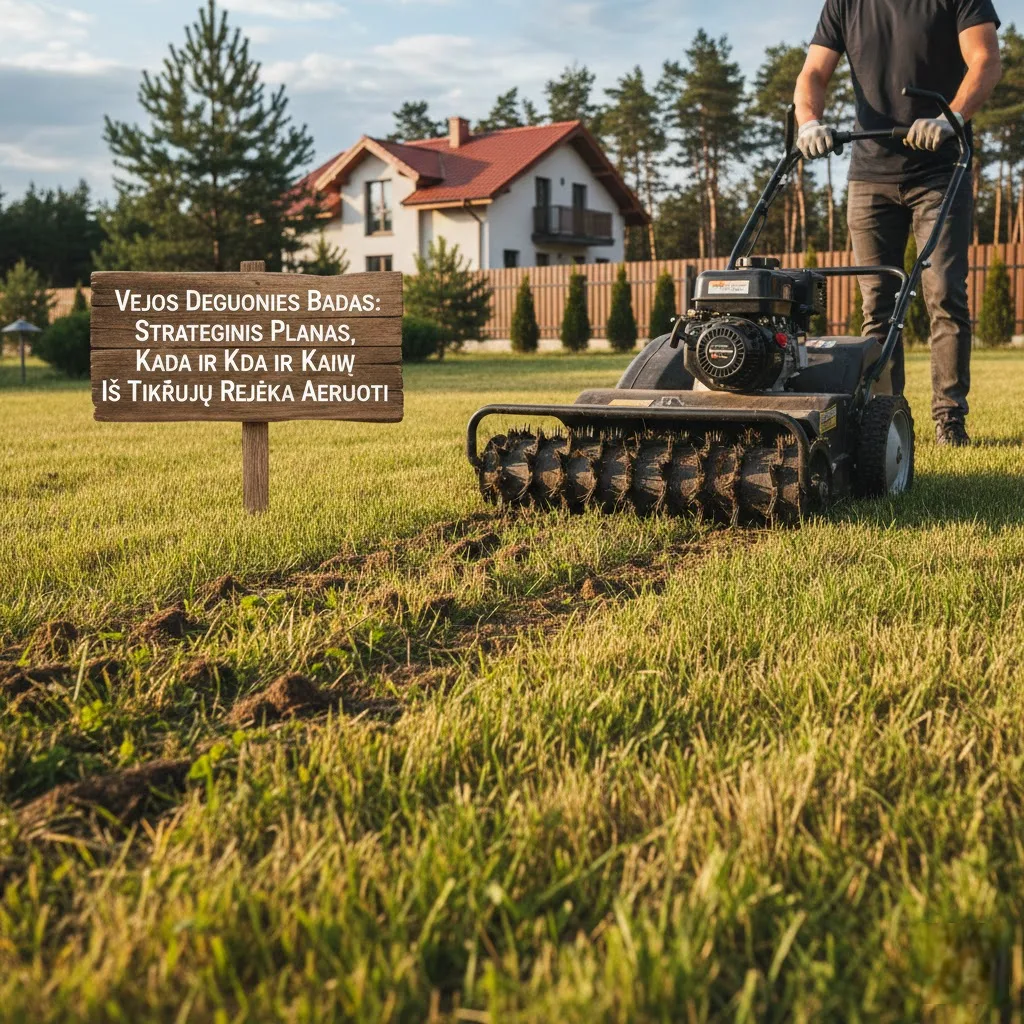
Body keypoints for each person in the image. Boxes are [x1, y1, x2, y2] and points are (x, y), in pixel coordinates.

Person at [795, 0, 1002, 446]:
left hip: (940, 169)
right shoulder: (844, 4)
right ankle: (884, 420)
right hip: (870, 172)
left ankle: (949, 420)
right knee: (878, 305)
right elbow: (813, 73)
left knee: (944, 293)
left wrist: (952, 117)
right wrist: (809, 121)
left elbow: (986, 60)